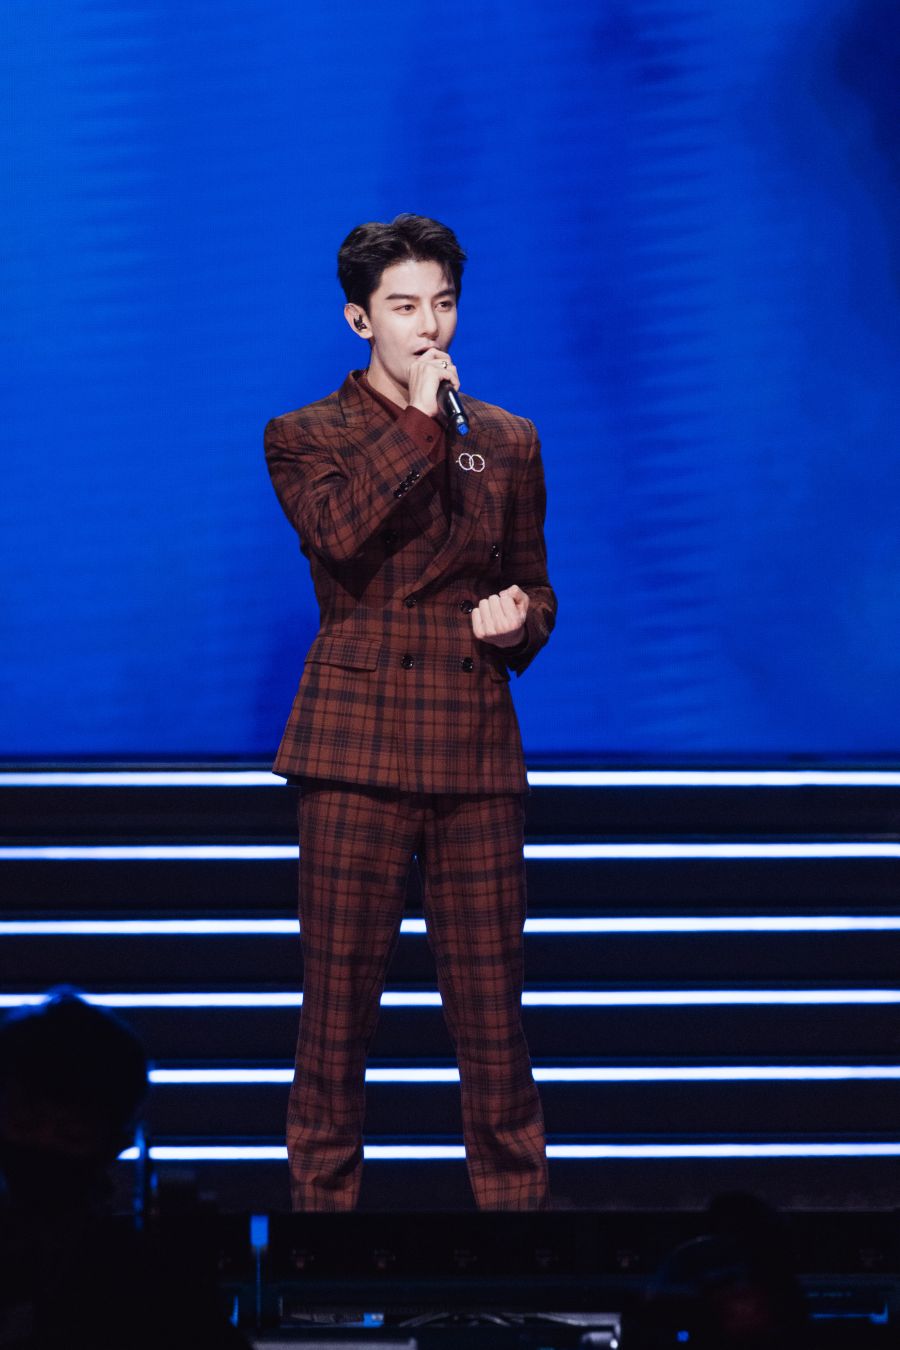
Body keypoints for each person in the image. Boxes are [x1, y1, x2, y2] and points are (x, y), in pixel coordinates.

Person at [264, 213, 556, 1211]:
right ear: (360, 320)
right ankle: (320, 1243)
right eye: (403, 307)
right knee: (336, 1016)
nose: (429, 327)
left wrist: (521, 622)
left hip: (473, 746)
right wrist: (424, 426)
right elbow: (341, 536)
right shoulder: (305, 435)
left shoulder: (508, 439)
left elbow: (536, 585)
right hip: (357, 746)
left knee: (494, 1018)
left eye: (443, 304)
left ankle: (519, 1244)